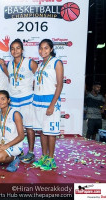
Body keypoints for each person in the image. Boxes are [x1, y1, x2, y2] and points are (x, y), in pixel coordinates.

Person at [32, 39, 64, 171]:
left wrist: (52, 105)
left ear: (51, 49)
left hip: (50, 101)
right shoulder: (40, 64)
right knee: (42, 131)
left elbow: (60, 85)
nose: (43, 51)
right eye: (41, 48)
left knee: (51, 132)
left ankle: (51, 159)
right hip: (38, 101)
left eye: (46, 48)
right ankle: (44, 156)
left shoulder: (57, 62)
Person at [7, 39, 38, 164]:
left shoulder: (29, 62)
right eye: (13, 48)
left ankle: (30, 152)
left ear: (22, 50)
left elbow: (40, 76)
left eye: (18, 48)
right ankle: (18, 150)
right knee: (16, 127)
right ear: (10, 51)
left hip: (27, 99)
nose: (15, 51)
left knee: (29, 127)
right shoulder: (9, 64)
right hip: (14, 100)